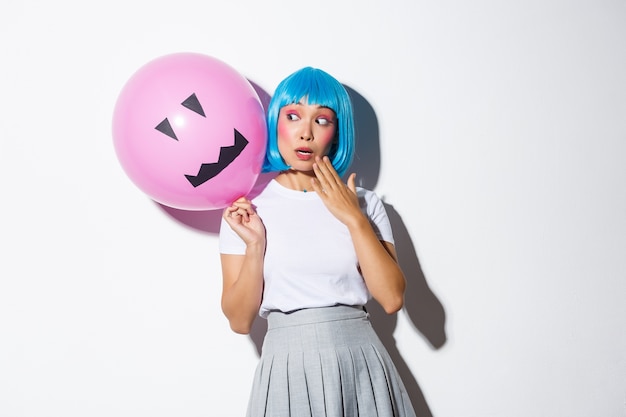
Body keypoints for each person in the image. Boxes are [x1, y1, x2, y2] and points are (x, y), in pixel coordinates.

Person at [219, 67, 416, 417]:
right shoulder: (247, 211)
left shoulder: (365, 203)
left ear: (337, 132)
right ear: (275, 123)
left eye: (322, 120)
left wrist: (353, 218)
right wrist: (254, 247)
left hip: (360, 364)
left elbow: (392, 298)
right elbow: (239, 321)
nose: (305, 133)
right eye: (293, 116)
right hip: (287, 368)